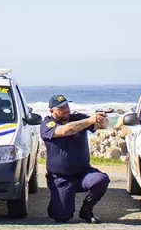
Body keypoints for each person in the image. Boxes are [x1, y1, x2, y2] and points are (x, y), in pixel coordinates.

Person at [40, 94, 111, 223]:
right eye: (61, 108)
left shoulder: (78, 118)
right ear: (52, 111)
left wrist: (102, 119)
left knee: (100, 180)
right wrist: (90, 120)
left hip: (82, 173)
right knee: (62, 216)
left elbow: (103, 126)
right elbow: (66, 130)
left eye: (66, 106)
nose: (66, 109)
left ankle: (86, 210)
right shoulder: (47, 124)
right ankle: (57, 203)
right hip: (61, 178)